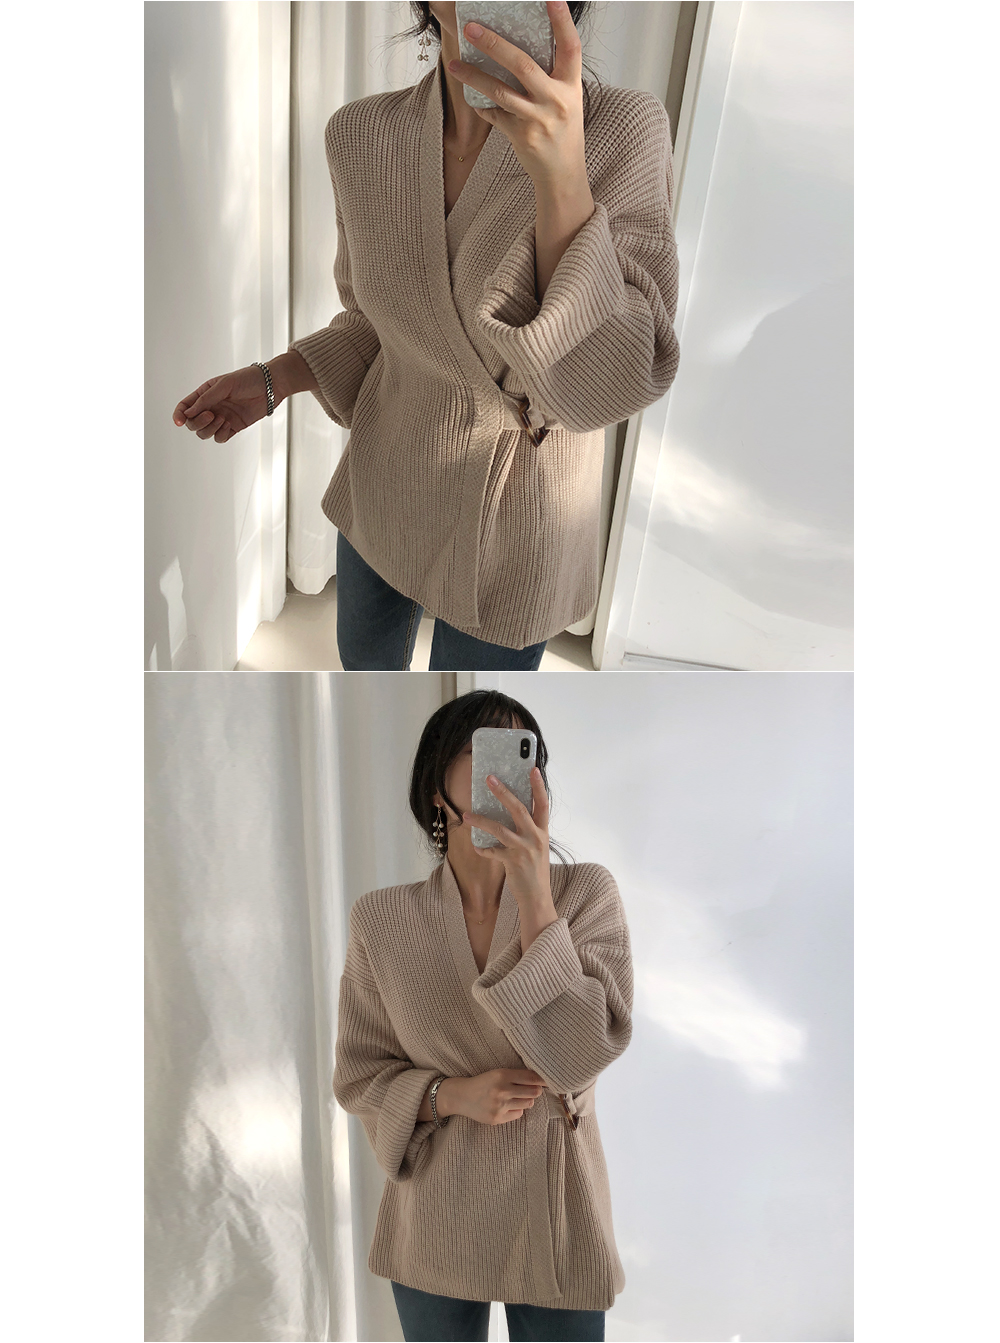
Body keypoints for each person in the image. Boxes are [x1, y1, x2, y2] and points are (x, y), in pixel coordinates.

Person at [173, 2, 679, 670]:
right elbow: (379, 326)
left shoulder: (622, 130)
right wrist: (274, 379)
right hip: (389, 477)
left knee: (472, 708)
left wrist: (562, 180)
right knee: (364, 670)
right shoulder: (361, 136)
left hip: (519, 514)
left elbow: (620, 374)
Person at [333, 689, 633, 1341]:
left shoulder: (586, 894)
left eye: (524, 751)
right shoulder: (381, 920)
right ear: (436, 785)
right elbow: (360, 1074)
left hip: (556, 1211)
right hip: (436, 1213)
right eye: (483, 747)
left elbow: (581, 1056)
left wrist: (535, 896)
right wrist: (450, 1095)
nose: (509, 767)